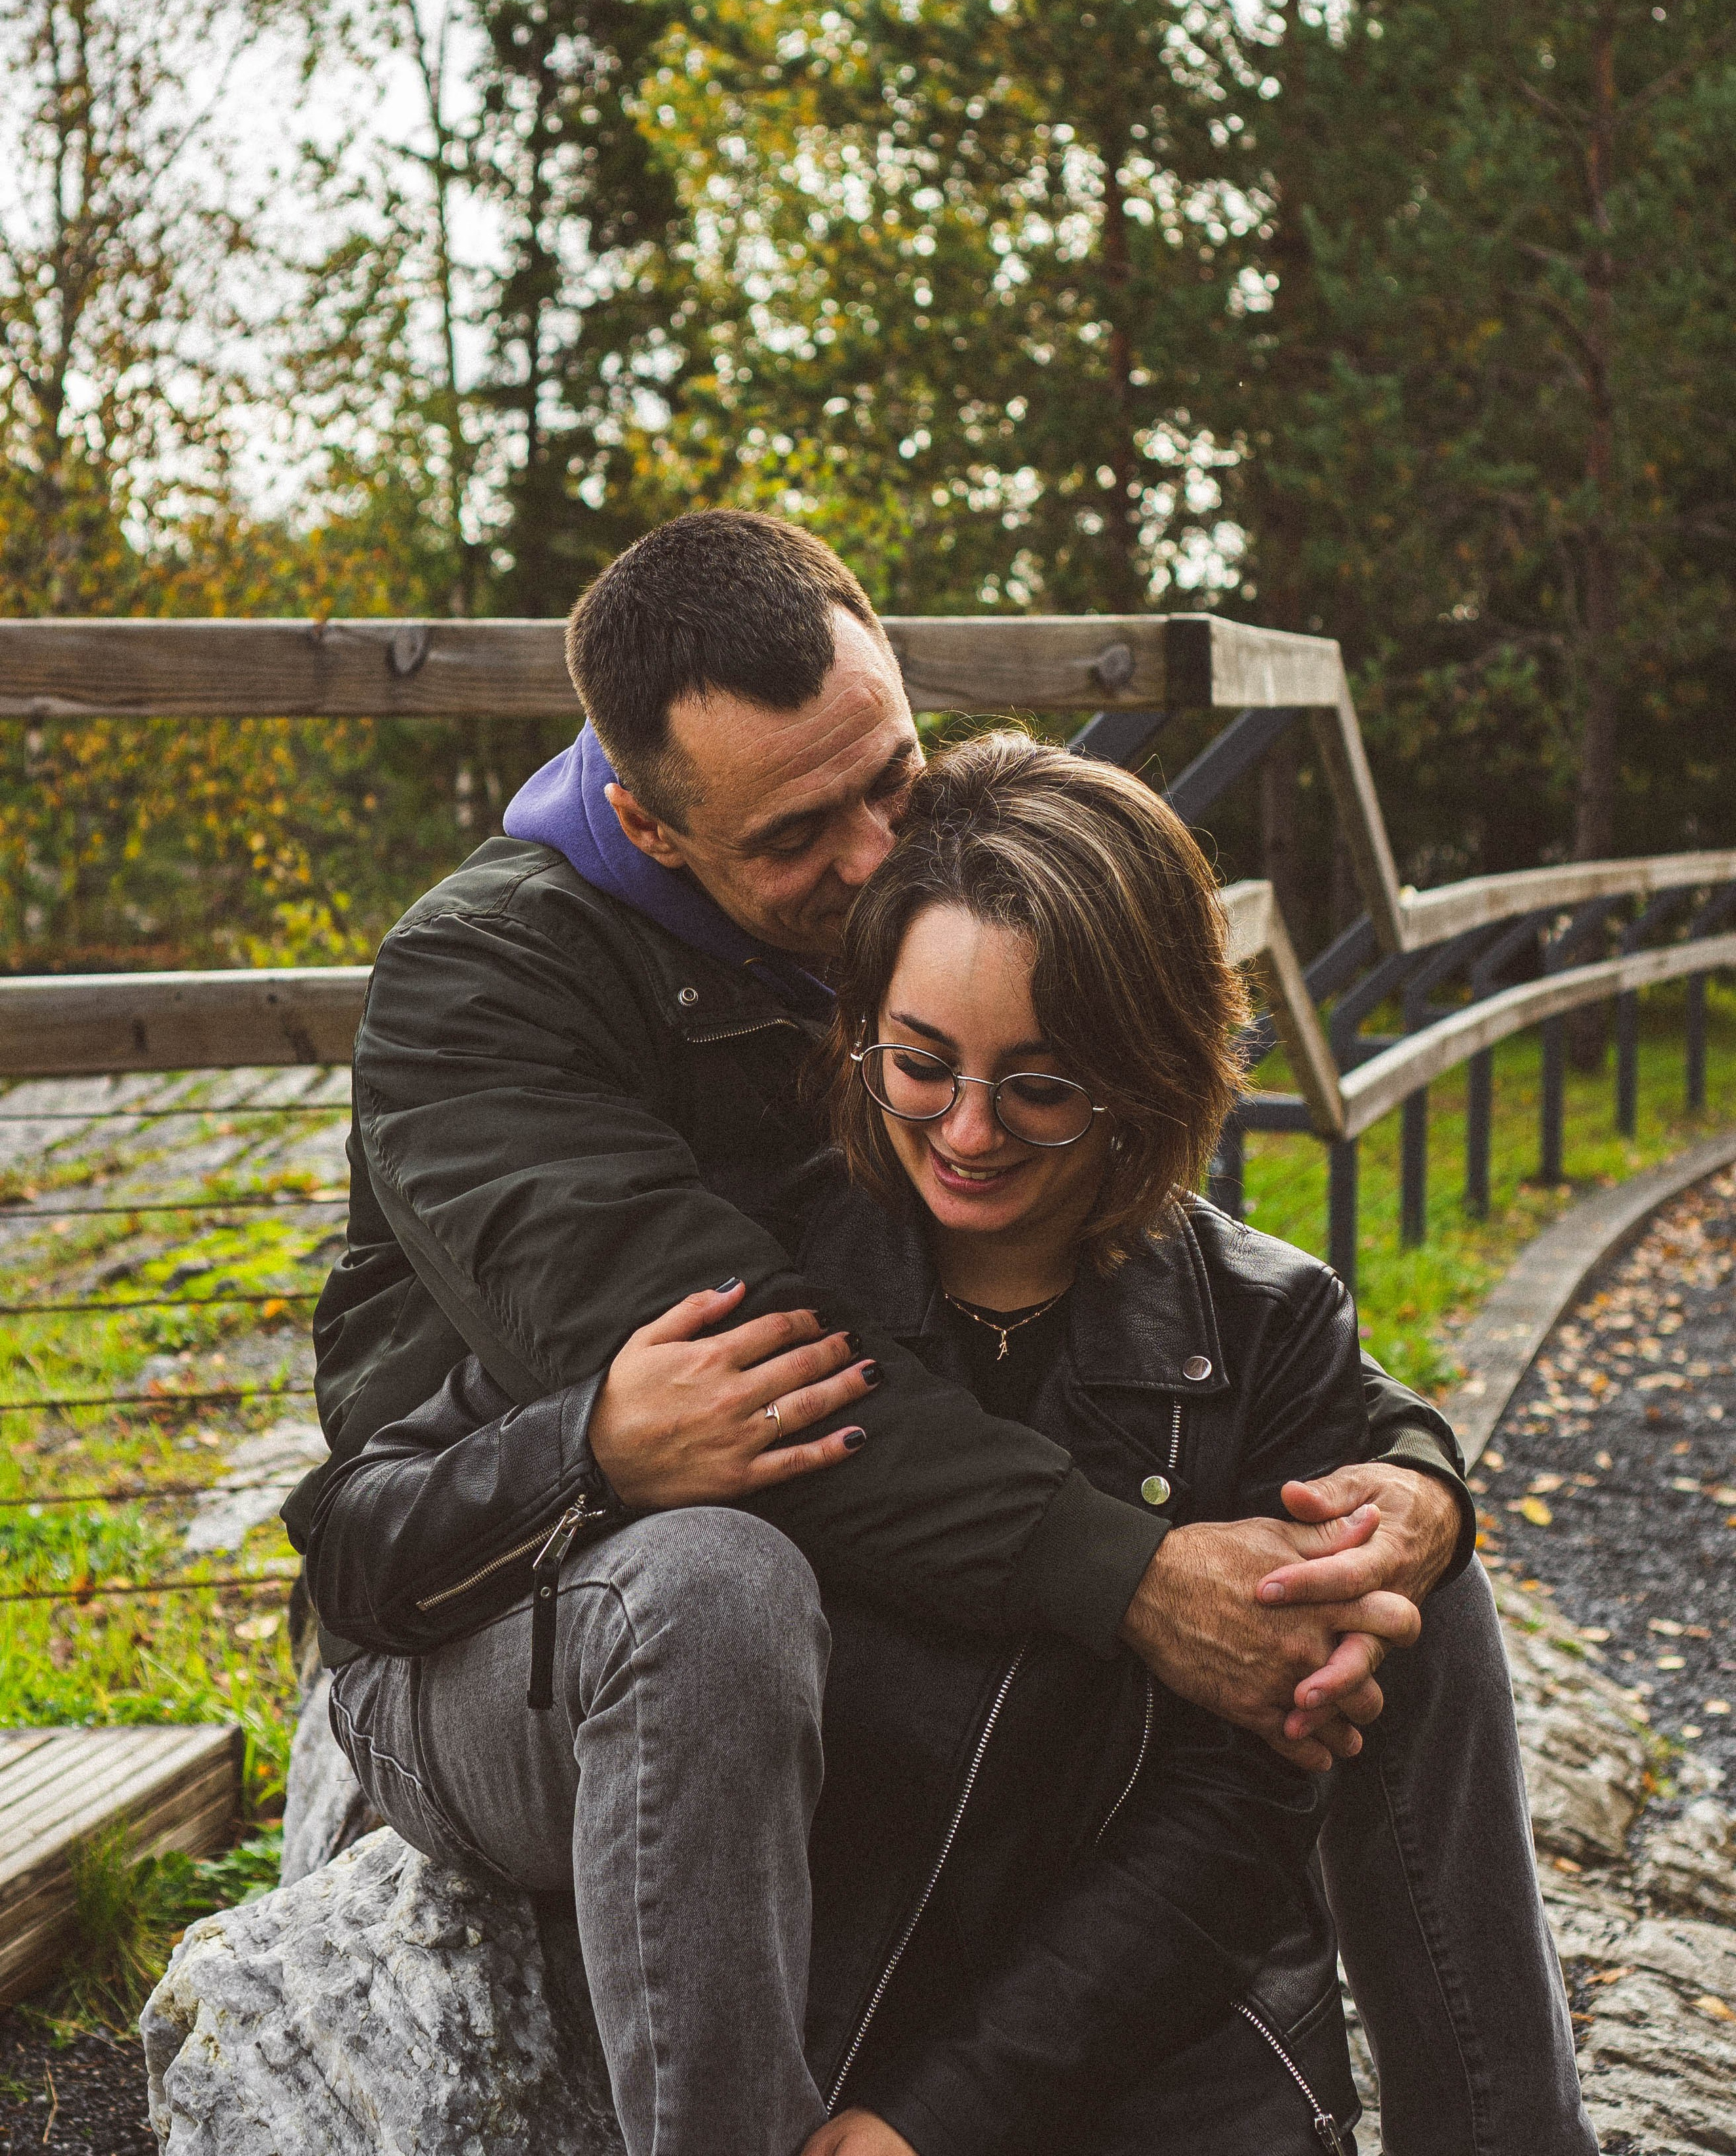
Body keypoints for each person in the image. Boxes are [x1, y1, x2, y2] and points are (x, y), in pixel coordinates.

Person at [288, 509, 1593, 2156]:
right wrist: (1139, 1579)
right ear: (647, 824)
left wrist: (1398, 1481)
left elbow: (1200, 1302)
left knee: (1384, 1584)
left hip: (872, 1527)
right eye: (795, 834)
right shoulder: (485, 982)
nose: (867, 859)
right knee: (714, 1588)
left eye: (889, 780)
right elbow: (774, 1388)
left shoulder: (910, 902)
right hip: (521, 1588)